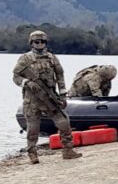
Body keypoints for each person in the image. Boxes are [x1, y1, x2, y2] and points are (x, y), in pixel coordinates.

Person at [12, 30, 80, 163]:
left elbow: (60, 76)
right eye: (36, 42)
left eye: (42, 41)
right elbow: (16, 77)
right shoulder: (25, 59)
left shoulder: (52, 58)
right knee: (33, 128)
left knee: (64, 122)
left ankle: (68, 150)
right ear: (31, 43)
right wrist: (27, 82)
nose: (39, 44)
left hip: (49, 97)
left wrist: (63, 94)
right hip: (32, 99)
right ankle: (32, 154)